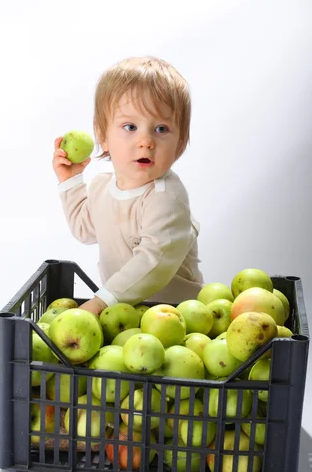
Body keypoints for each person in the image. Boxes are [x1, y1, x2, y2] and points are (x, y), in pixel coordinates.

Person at [52, 56, 204, 317]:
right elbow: (85, 229)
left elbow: (154, 261)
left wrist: (100, 302)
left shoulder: (166, 197)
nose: (145, 141)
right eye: (130, 126)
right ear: (102, 135)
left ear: (180, 142)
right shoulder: (102, 185)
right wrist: (71, 180)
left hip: (175, 317)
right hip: (122, 314)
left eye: (161, 129)